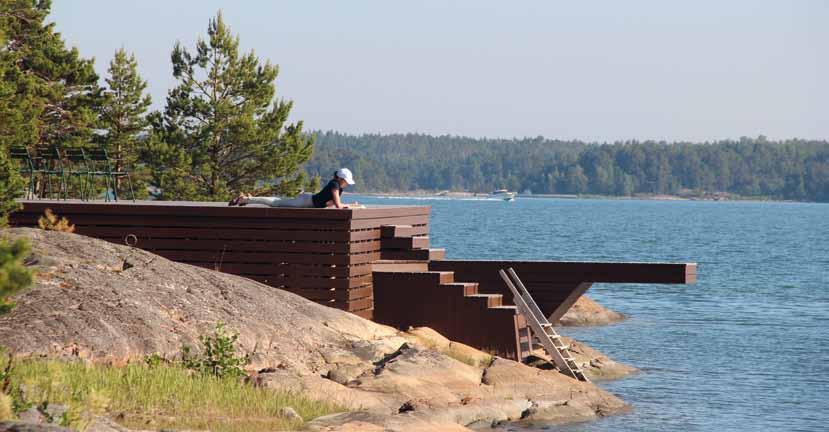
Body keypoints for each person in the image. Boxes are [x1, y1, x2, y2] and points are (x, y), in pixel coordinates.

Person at [229, 168, 358, 209]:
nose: (347, 184)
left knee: (276, 202)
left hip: (308, 201)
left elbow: (330, 203)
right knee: (275, 203)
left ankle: (246, 199)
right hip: (305, 202)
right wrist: (348, 206)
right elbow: (337, 205)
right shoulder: (335, 185)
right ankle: (244, 199)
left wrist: (348, 205)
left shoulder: (338, 187)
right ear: (341, 179)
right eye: (346, 181)